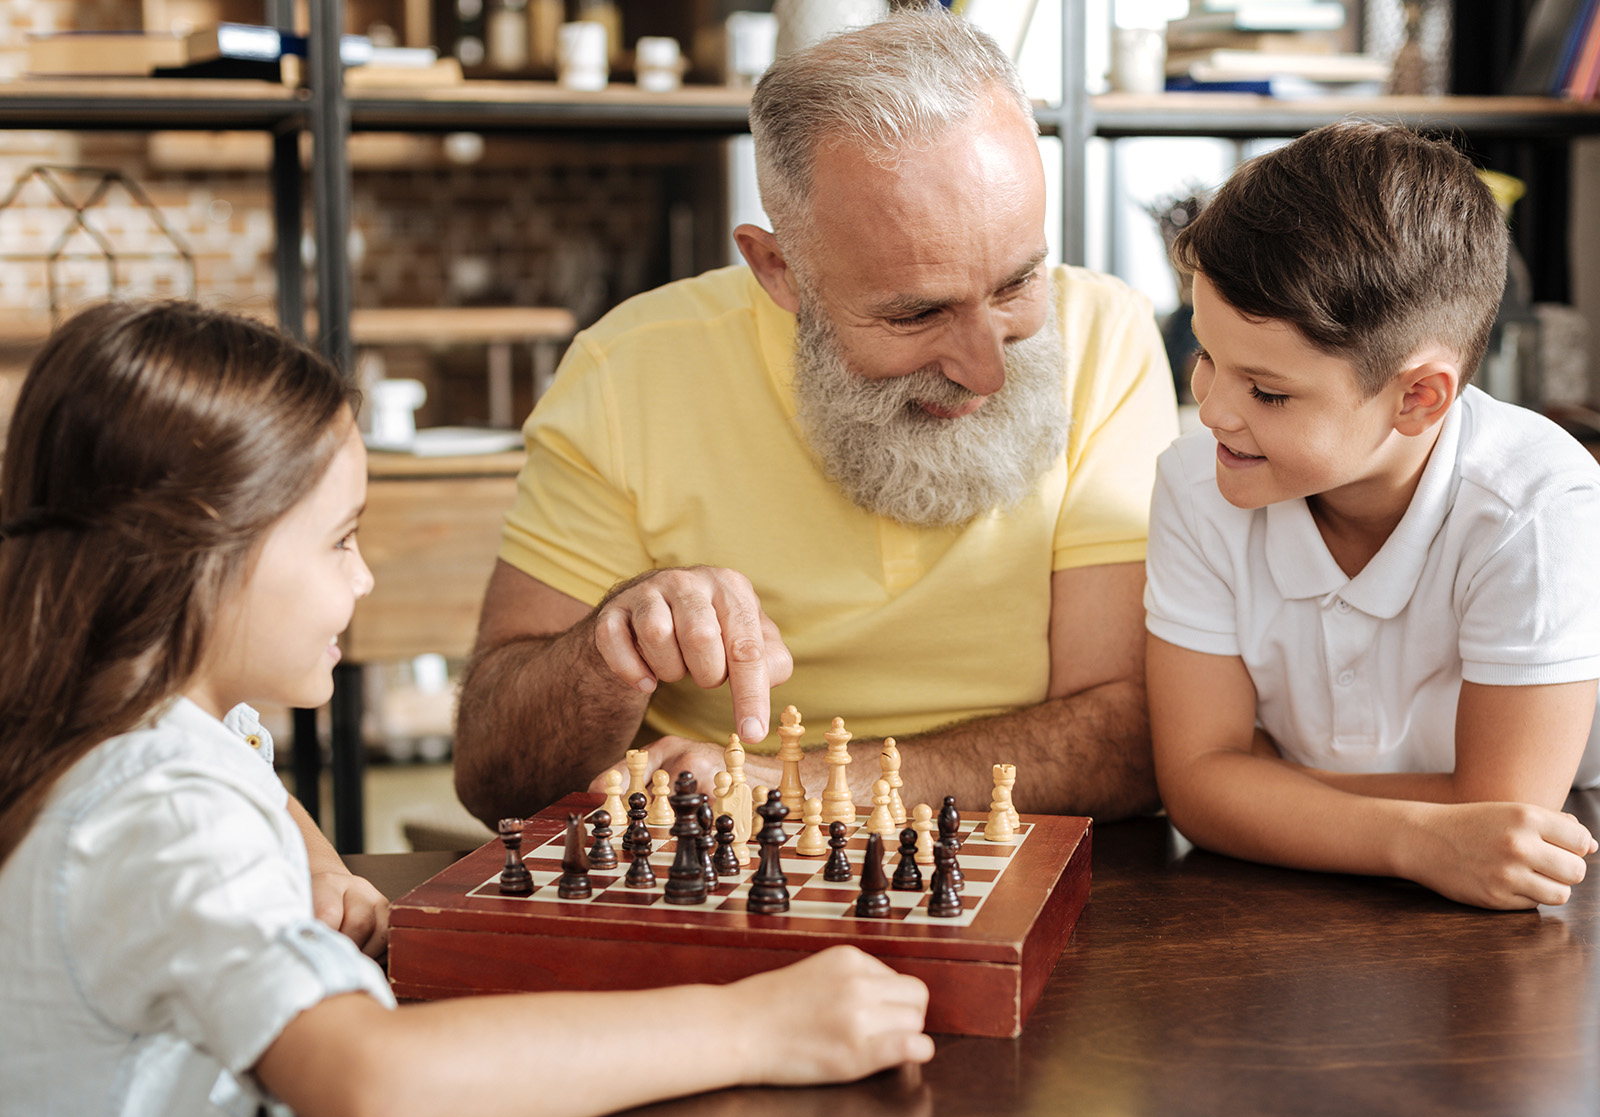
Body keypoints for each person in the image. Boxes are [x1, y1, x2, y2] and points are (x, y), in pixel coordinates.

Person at [0, 301, 932, 1117]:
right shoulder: (162, 802)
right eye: (340, 541)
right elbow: (374, 1084)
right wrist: (756, 1028)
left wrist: (314, 866)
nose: (364, 578)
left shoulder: (111, 728)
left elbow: (238, 774)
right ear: (202, 556)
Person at [455, 11, 1179, 824]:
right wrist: (607, 647)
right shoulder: (629, 368)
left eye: (1016, 284)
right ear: (778, 269)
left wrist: (809, 788)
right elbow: (495, 778)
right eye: (917, 315)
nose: (987, 369)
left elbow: (1129, 736)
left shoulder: (1109, 334)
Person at [1143, 121, 1600, 911]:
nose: (1211, 410)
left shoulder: (1536, 504)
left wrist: (1261, 784)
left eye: (1269, 391)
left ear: (1417, 397)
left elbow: (1506, 818)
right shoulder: (1196, 483)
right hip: (1282, 906)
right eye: (1206, 356)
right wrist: (1414, 834)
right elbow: (1195, 790)